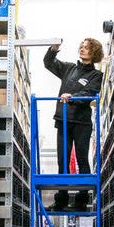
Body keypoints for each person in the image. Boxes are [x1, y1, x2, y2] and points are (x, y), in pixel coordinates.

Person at [43, 38, 103, 211]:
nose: (83, 49)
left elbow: (90, 92)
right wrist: (53, 49)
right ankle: (61, 200)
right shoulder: (69, 68)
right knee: (62, 160)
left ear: (94, 53)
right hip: (63, 120)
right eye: (81, 46)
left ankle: (81, 201)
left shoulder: (96, 75)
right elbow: (48, 63)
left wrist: (73, 97)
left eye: (87, 48)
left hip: (82, 122)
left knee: (82, 160)